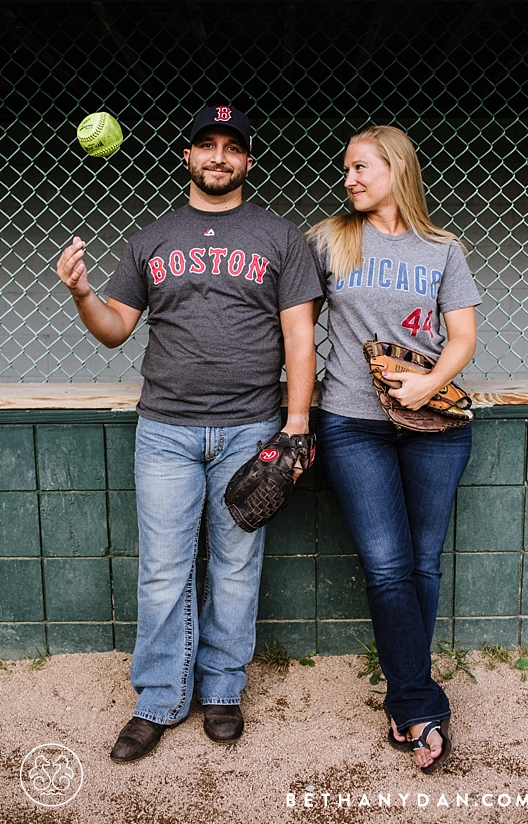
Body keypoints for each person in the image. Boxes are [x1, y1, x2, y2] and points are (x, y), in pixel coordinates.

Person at [56, 105, 321, 762]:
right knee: (163, 572)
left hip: (252, 427)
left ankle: (223, 689)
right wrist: (83, 293)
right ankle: (159, 700)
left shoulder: (281, 238)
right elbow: (116, 327)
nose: (219, 157)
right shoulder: (150, 240)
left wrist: (293, 428)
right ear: (188, 156)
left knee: (235, 566)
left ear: (248, 162)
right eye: (207, 144)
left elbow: (298, 336)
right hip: (166, 431)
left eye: (233, 147)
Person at [307, 125, 480, 773]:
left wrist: (429, 382)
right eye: (345, 169)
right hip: (352, 422)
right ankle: (417, 698)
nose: (348, 179)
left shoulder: (442, 249)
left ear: (396, 169)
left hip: (435, 424)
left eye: (359, 168)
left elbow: (460, 336)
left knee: (422, 565)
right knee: (387, 565)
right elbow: (290, 316)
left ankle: (409, 693)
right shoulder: (330, 240)